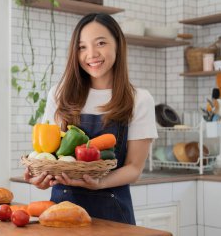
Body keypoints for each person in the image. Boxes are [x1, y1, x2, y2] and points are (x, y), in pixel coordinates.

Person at [23, 13, 158, 225]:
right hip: (61, 214)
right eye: (82, 47)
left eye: (101, 43)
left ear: (118, 46)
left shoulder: (139, 99)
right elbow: (49, 155)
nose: (91, 54)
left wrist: (99, 182)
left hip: (113, 217)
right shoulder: (59, 94)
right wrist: (41, 177)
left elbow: (134, 168)